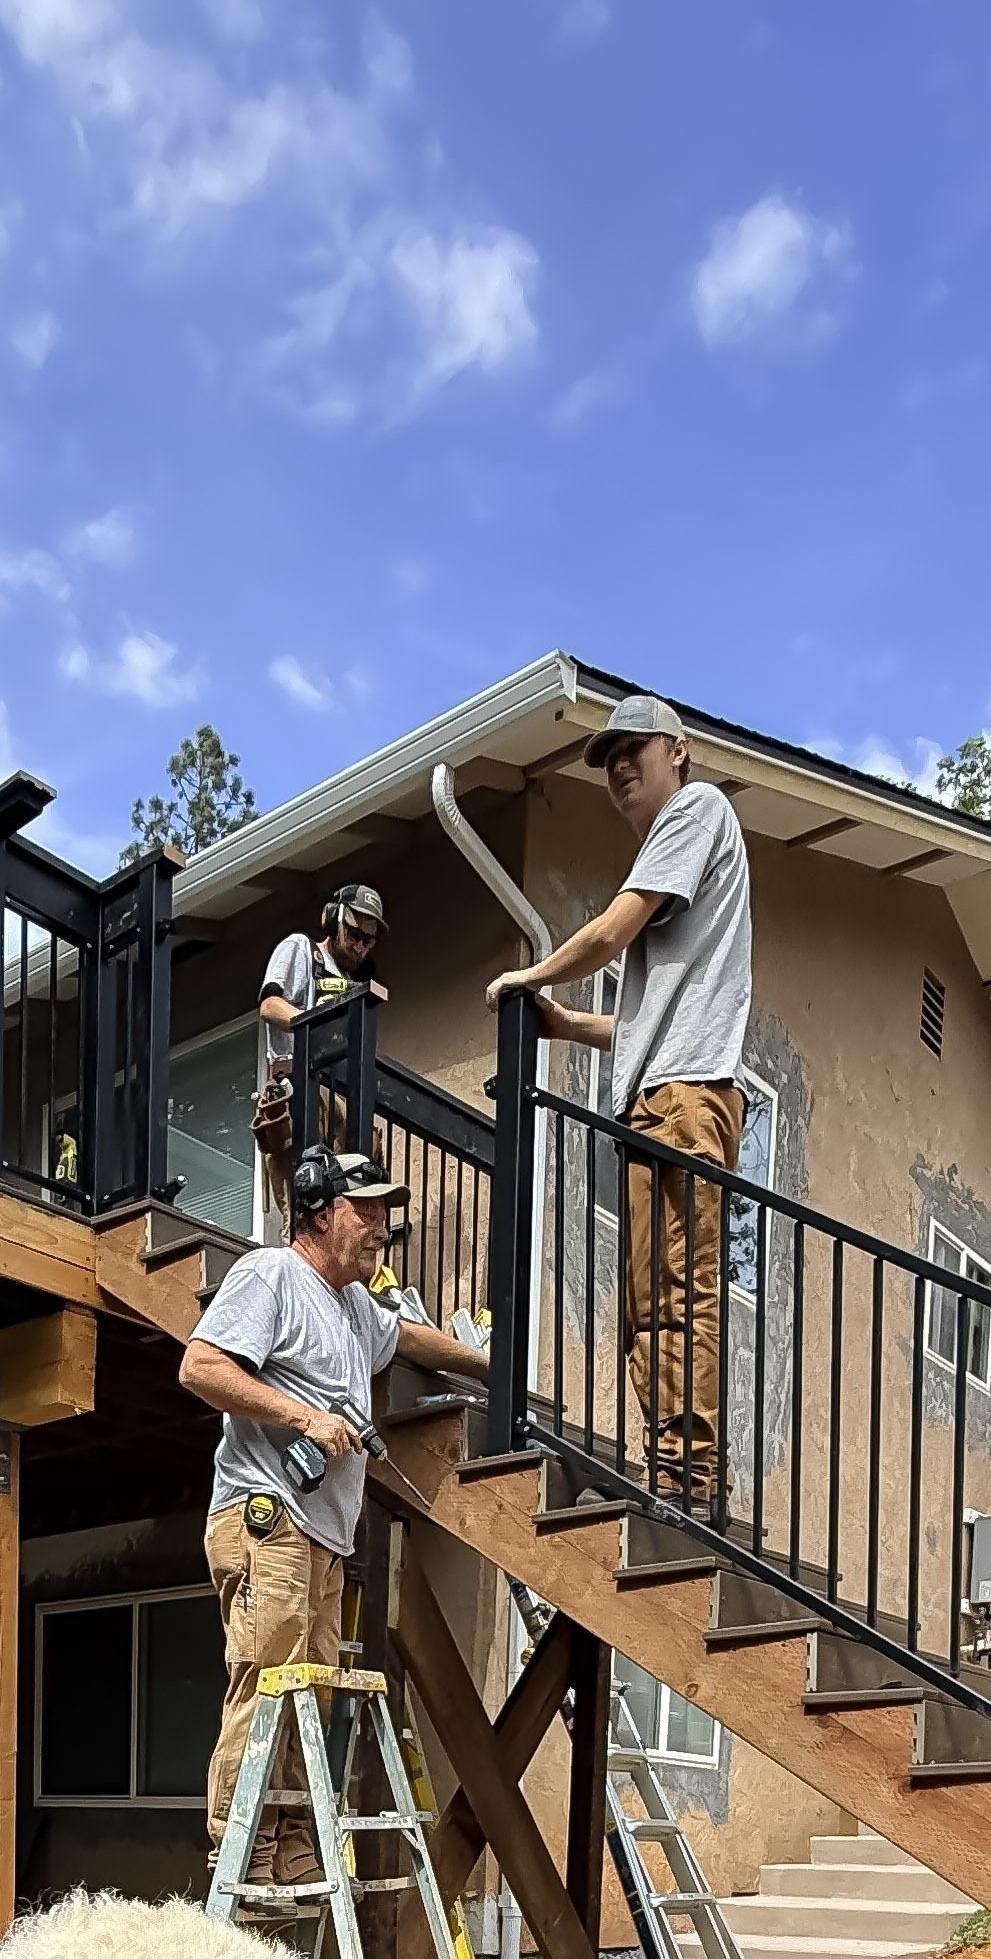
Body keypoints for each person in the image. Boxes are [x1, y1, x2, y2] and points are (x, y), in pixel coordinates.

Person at [179, 1142, 487, 1886]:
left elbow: (406, 1334)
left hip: (321, 1535)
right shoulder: (272, 1275)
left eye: (387, 1212)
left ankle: (286, 1845)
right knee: (268, 1682)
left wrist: (485, 1364)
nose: (382, 1226)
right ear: (319, 1211)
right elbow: (200, 1367)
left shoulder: (353, 1306)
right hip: (268, 1517)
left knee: (307, 1697)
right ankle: (241, 1844)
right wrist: (304, 1417)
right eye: (368, 1209)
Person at [485, 691, 750, 1511]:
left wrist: (531, 975)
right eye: (607, 758)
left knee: (682, 1294)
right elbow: (645, 1022)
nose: (620, 766)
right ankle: (664, 1466)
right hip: (655, 1098)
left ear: (681, 750)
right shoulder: (677, 851)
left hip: (688, 1101)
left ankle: (691, 1480)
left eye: (635, 747)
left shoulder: (699, 808)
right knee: (644, 1304)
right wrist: (564, 1023)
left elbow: (610, 930)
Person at [253, 881, 389, 1227]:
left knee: (341, 1209)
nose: (359, 946)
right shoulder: (301, 949)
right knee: (304, 1212)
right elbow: (270, 1006)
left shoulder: (347, 984)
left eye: (367, 941)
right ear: (332, 920)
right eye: (353, 933)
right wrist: (312, 1022)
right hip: (300, 1087)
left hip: (336, 1097)